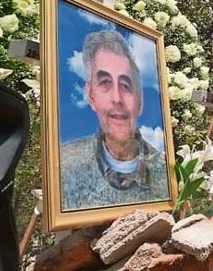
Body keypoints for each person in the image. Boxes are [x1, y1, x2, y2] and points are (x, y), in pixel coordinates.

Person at [60, 29, 169, 210]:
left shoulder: (166, 172)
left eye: (126, 86)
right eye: (105, 83)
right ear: (90, 95)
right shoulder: (63, 163)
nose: (117, 98)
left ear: (140, 102)